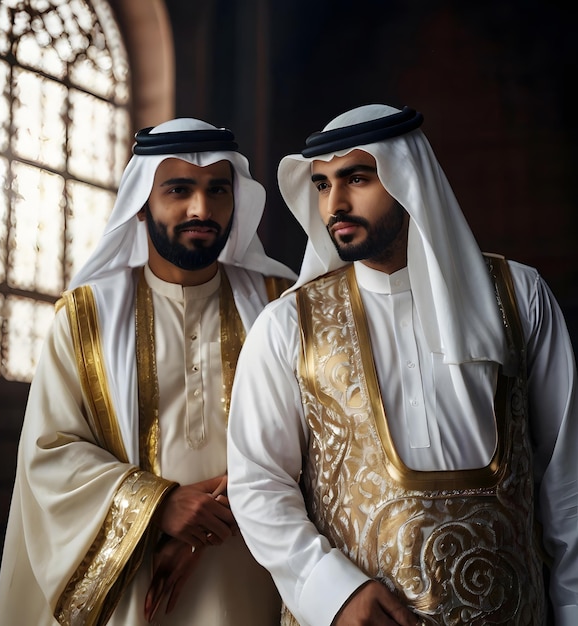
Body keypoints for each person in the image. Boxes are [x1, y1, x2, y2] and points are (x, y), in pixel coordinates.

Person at [226, 104, 578, 626]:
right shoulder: (286, 326)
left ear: (408, 177)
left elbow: (566, 478)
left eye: (357, 178)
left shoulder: (518, 297)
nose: (335, 204)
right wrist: (333, 593)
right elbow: (258, 483)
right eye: (322, 185)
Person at [0, 117, 296, 626]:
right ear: (140, 201)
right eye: (179, 189)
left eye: (218, 190)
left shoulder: (278, 304)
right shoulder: (85, 317)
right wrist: (160, 506)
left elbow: (316, 439)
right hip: (139, 570)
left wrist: (209, 529)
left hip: (259, 564)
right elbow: (49, 452)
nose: (201, 208)